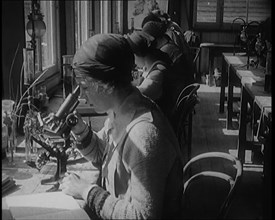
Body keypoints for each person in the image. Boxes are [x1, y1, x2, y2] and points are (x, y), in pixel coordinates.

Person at [60, 33, 184, 219]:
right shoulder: (120, 111)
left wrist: (87, 190)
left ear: (105, 85)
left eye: (85, 87)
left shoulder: (143, 135)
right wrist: (81, 130)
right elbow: (101, 154)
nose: (83, 96)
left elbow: (142, 216)